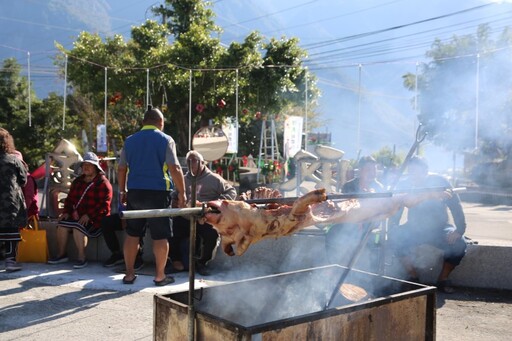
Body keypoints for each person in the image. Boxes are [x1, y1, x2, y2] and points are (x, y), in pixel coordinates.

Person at [118, 105, 186, 286]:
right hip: (158, 192)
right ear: (160, 123)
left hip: (135, 192)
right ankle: (160, 276)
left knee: (132, 234)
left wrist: (122, 191)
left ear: (143, 122)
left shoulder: (130, 140)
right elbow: (175, 167)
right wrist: (182, 192)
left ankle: (129, 274)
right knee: (160, 236)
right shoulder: (166, 139)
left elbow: (121, 167)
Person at [389, 156, 467, 293]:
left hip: (440, 228)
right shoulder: (405, 184)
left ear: (425, 171)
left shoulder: (440, 181)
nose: (413, 175)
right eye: (411, 171)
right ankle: (413, 278)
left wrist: (459, 229)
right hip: (413, 228)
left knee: (459, 244)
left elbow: (456, 206)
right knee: (395, 238)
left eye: (417, 171)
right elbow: (397, 207)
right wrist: (392, 227)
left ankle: (443, 279)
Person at [168, 150, 237, 276]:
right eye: (189, 162)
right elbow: (173, 195)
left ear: (202, 162)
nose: (192, 164)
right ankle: (176, 261)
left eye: (194, 161)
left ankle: (202, 262)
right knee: (171, 229)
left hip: (206, 216)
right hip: (186, 216)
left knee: (211, 234)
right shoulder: (183, 179)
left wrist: (217, 204)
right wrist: (175, 201)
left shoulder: (214, 179)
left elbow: (231, 192)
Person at [48, 152, 113, 269]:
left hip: (96, 220)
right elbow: (70, 200)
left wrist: (89, 215)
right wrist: (66, 212)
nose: (86, 167)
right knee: (62, 225)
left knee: (78, 228)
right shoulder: (78, 181)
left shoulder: (103, 183)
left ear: (96, 167)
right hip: (77, 217)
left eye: (89, 165)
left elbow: (104, 206)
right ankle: (61, 254)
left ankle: (81, 257)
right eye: (84, 165)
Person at [325, 156, 384, 269]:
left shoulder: (379, 187)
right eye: (369, 170)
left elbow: (380, 212)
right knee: (333, 234)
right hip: (348, 224)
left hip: (369, 226)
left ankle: (353, 272)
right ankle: (336, 267)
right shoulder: (349, 186)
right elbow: (344, 208)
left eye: (374, 170)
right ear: (361, 171)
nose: (372, 173)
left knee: (357, 241)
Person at [0, 128, 27, 272]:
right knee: (11, 229)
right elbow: (23, 180)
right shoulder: (14, 160)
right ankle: (10, 261)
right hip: (10, 201)